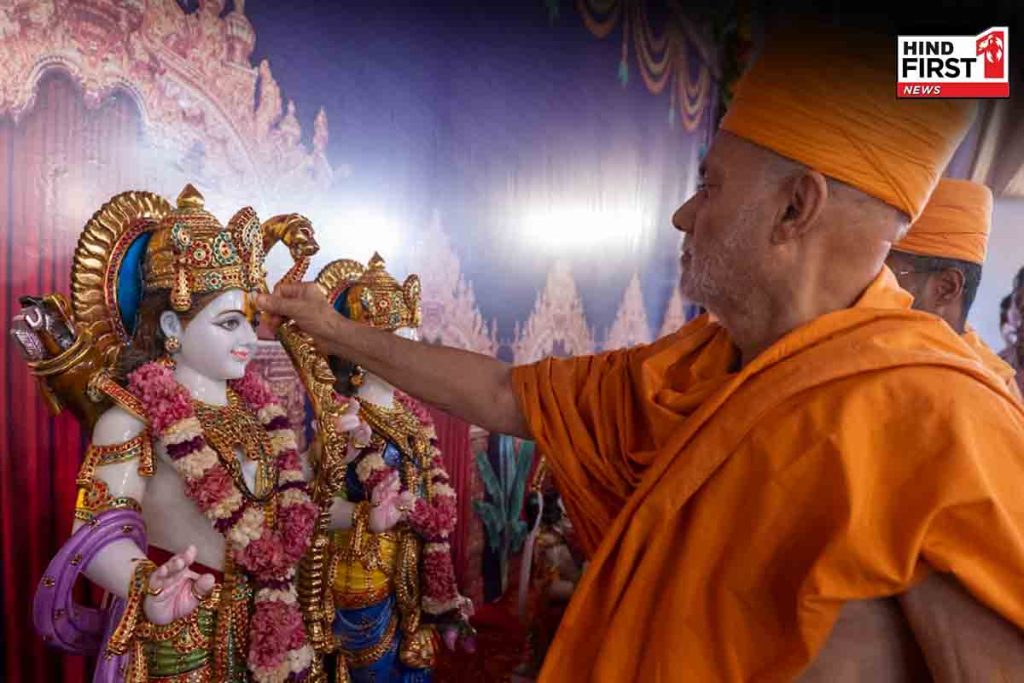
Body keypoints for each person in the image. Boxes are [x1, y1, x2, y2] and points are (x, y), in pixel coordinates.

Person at [255, 25, 1024, 681]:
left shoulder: (940, 423)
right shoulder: (705, 364)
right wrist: (334, 332)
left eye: (711, 185)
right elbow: (505, 393)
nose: (685, 213)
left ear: (796, 207)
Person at [886, 178, 1022, 399]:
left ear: (946, 288)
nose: (874, 289)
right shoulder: (897, 352)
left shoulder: (980, 393)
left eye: (889, 277)